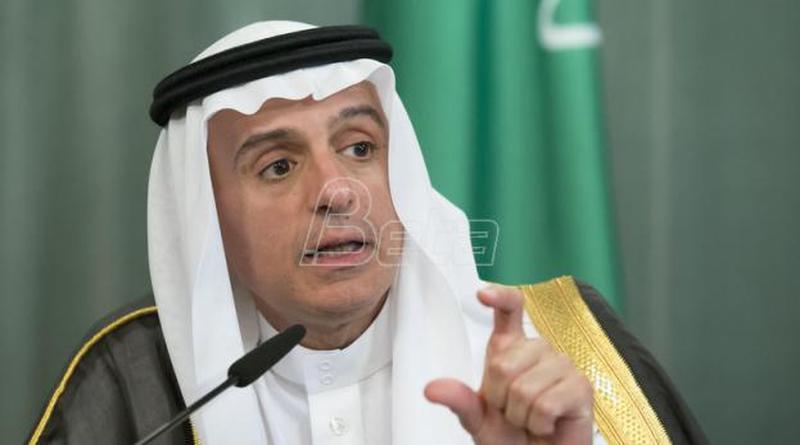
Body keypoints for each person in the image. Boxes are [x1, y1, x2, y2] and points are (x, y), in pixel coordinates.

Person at [27, 21, 707, 444]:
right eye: (278, 165)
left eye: (359, 148)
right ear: (209, 219)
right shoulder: (132, 390)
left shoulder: (565, 348)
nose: (338, 190)